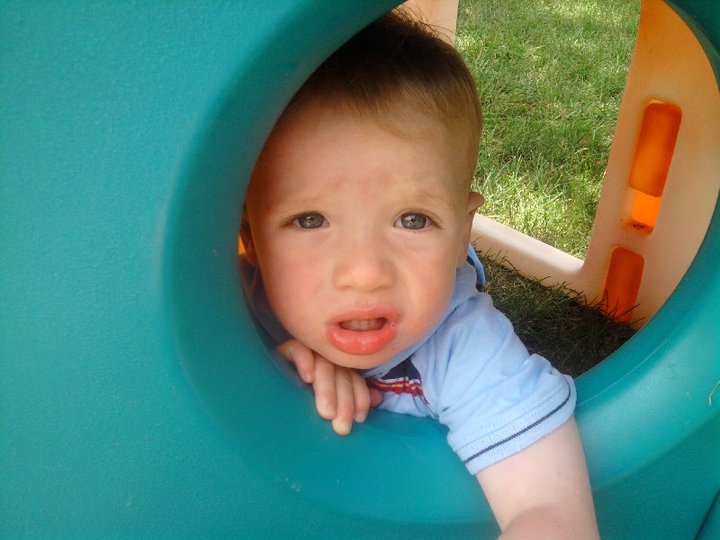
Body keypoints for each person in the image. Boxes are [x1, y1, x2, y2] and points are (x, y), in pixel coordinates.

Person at [240, 10, 599, 538]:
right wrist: (267, 367)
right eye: (310, 220)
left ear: (462, 231)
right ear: (248, 237)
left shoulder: (462, 343)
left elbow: (549, 510)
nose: (365, 274)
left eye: (413, 219)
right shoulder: (227, 303)